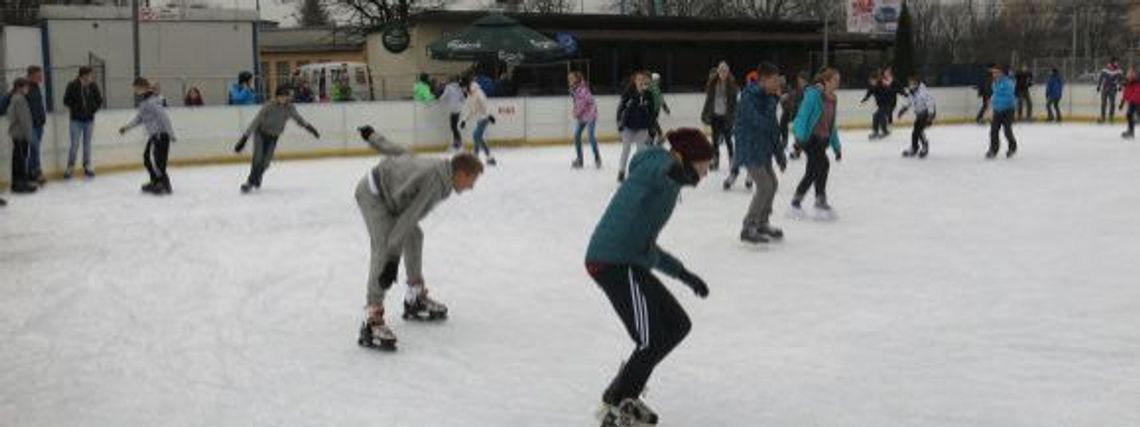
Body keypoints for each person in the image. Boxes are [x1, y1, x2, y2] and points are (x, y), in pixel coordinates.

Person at [586, 128, 712, 427]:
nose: (707, 172)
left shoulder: (671, 185)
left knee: (678, 325)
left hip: (632, 261)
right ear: (684, 159)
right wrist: (671, 168)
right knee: (650, 339)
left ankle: (621, 390)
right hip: (611, 261)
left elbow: (647, 246)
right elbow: (652, 170)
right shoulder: (657, 169)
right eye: (704, 165)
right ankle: (616, 409)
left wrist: (683, 274)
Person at [355, 152, 485, 352]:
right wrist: (392, 262)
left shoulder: (443, 173)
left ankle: (414, 297)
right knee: (383, 248)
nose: (471, 186)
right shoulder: (436, 182)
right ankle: (371, 317)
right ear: (460, 174)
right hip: (374, 195)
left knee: (414, 235)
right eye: (471, 180)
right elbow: (406, 221)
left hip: (391, 193)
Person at [728, 62, 787, 243]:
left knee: (773, 184)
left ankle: (762, 222)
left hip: (764, 150)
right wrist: (774, 102)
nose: (778, 84)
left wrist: (779, 154)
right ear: (763, 80)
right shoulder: (748, 98)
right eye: (775, 80)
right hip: (749, 148)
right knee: (764, 186)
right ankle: (749, 226)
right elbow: (761, 123)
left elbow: (773, 129)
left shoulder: (768, 98)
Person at [233, 86, 321, 193]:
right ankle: (250, 182)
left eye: (286, 96)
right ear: (277, 96)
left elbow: (299, 119)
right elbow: (256, 121)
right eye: (282, 96)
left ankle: (257, 177)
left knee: (266, 163)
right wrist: (244, 138)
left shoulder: (289, 108)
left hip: (274, 136)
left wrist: (310, 128)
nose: (284, 99)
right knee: (258, 158)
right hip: (261, 134)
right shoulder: (269, 106)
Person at [790, 68, 843, 214]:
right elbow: (802, 116)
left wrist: (836, 147)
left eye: (838, 81)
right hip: (810, 139)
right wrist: (799, 140)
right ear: (826, 81)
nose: (837, 83)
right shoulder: (813, 95)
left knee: (817, 168)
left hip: (823, 140)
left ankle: (804, 199)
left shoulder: (833, 99)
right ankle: (805, 201)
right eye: (835, 80)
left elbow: (831, 125)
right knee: (818, 166)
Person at [119, 77, 176, 195]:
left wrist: (171, 133)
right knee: (147, 158)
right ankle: (156, 181)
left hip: (161, 135)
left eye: (135, 88)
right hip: (154, 136)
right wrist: (127, 127)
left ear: (141, 87)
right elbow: (139, 118)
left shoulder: (152, 101)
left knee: (158, 161)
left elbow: (163, 117)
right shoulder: (144, 102)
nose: (135, 91)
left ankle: (164, 184)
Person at [62, 66, 105, 180]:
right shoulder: (72, 85)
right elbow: (66, 101)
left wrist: (92, 110)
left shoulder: (93, 86)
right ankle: (70, 167)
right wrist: (78, 109)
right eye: (90, 75)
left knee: (87, 145)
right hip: (75, 120)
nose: (92, 77)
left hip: (89, 120)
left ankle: (87, 165)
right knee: (74, 145)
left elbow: (99, 100)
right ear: (84, 75)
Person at [616, 71, 657, 182]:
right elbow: (620, 109)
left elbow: (652, 113)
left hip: (642, 127)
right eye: (638, 79)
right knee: (626, 148)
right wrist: (619, 122)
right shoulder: (628, 93)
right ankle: (621, 171)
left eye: (642, 80)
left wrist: (652, 127)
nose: (640, 82)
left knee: (641, 150)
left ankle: (638, 171)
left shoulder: (648, 95)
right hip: (628, 126)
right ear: (634, 81)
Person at [701, 61, 738, 170]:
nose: (723, 73)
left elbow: (734, 104)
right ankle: (715, 160)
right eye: (721, 71)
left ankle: (732, 160)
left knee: (728, 139)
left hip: (726, 117)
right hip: (715, 116)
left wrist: (734, 116)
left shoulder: (732, 85)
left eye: (725, 71)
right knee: (715, 140)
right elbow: (708, 101)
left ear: (728, 72)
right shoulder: (712, 84)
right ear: (718, 72)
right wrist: (705, 113)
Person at [7, 78, 38, 194]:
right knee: (20, 161)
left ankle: (17, 184)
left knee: (17, 160)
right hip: (21, 135)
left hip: (17, 134)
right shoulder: (20, 99)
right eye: (26, 87)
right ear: (19, 88)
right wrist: (28, 136)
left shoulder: (14, 98)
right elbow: (24, 119)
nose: (28, 89)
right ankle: (21, 184)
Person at [898, 75, 937, 158]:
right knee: (915, 131)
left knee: (918, 130)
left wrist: (930, 116)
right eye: (909, 84)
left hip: (928, 113)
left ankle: (924, 147)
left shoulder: (923, 92)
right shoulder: (912, 92)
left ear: (917, 84)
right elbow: (909, 102)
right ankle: (914, 147)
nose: (910, 85)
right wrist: (903, 110)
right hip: (920, 114)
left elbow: (930, 103)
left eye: (913, 84)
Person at [460, 78, 497, 166]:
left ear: (467, 86)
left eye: (463, 87)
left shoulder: (478, 92)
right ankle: (490, 157)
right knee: (478, 137)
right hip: (479, 118)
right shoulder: (470, 95)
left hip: (485, 117)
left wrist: (489, 115)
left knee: (476, 136)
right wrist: (464, 120)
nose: (462, 89)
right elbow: (470, 110)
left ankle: (475, 158)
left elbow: (485, 104)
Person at [569, 71, 601, 169]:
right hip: (583, 116)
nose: (570, 80)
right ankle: (580, 160)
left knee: (591, 137)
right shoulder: (575, 89)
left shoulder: (582, 89)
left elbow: (582, 103)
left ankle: (597, 158)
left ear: (577, 79)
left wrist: (575, 113)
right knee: (577, 136)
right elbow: (577, 103)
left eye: (571, 78)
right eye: (569, 79)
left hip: (590, 115)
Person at [988, 65, 1018, 159]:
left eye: (996, 72)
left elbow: (1008, 97)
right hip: (997, 110)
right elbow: (995, 95)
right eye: (993, 72)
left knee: (1007, 130)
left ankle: (1012, 148)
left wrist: (998, 105)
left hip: (1008, 110)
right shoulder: (994, 83)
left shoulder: (1008, 83)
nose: (994, 74)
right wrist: (992, 105)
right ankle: (993, 150)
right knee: (993, 131)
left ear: (1001, 73)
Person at [25, 66, 47, 185]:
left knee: (34, 150)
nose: (41, 77)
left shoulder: (37, 87)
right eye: (38, 75)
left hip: (39, 124)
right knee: (34, 148)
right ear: (31, 75)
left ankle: (31, 173)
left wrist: (42, 119)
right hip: (30, 125)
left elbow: (39, 105)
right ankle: (37, 172)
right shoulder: (25, 87)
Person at [861, 72, 897, 139]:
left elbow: (890, 91)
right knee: (878, 116)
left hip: (888, 104)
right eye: (870, 81)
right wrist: (864, 99)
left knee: (877, 115)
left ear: (876, 80)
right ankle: (880, 131)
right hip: (881, 105)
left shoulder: (882, 84)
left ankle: (881, 131)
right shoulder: (872, 86)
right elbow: (869, 93)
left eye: (872, 80)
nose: (871, 82)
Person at [782, 72, 809, 160]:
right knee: (799, 134)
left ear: (805, 80)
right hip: (798, 115)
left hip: (804, 116)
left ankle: (798, 150)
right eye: (798, 80)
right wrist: (787, 96)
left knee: (801, 135)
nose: (799, 82)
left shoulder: (808, 90)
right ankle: (798, 150)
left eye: (800, 80)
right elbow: (793, 96)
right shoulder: (798, 90)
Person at [439, 77, 466, 151]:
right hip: (458, 109)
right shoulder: (459, 88)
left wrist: (439, 100)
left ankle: (459, 142)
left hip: (453, 109)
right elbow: (463, 98)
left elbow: (444, 96)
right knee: (454, 126)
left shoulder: (448, 87)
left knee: (453, 126)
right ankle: (456, 142)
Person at [1098, 58, 1125, 124]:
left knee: (1112, 103)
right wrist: (1099, 85)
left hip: (1113, 89)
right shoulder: (1105, 69)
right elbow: (1101, 78)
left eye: (1117, 62)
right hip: (1105, 89)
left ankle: (1111, 118)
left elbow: (1120, 79)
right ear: (1112, 63)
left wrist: (1120, 86)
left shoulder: (1119, 70)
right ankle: (1103, 118)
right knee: (1103, 103)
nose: (1117, 63)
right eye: (1116, 62)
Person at [648, 72, 671, 145]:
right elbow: (660, 99)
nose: (660, 81)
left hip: (653, 109)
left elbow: (659, 98)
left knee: (653, 123)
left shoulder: (651, 86)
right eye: (659, 80)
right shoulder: (654, 87)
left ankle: (654, 137)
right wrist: (665, 107)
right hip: (653, 109)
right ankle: (658, 136)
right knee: (653, 123)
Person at [1119, 68, 1139, 139]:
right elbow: (1125, 94)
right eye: (1128, 74)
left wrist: (1132, 101)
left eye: (1131, 74)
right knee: (1129, 115)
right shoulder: (1128, 83)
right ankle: (1131, 132)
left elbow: (1137, 93)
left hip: (1137, 102)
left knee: (1132, 115)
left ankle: (1131, 132)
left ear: (1134, 75)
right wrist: (1122, 103)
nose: (1129, 76)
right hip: (1132, 102)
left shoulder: (1137, 83)